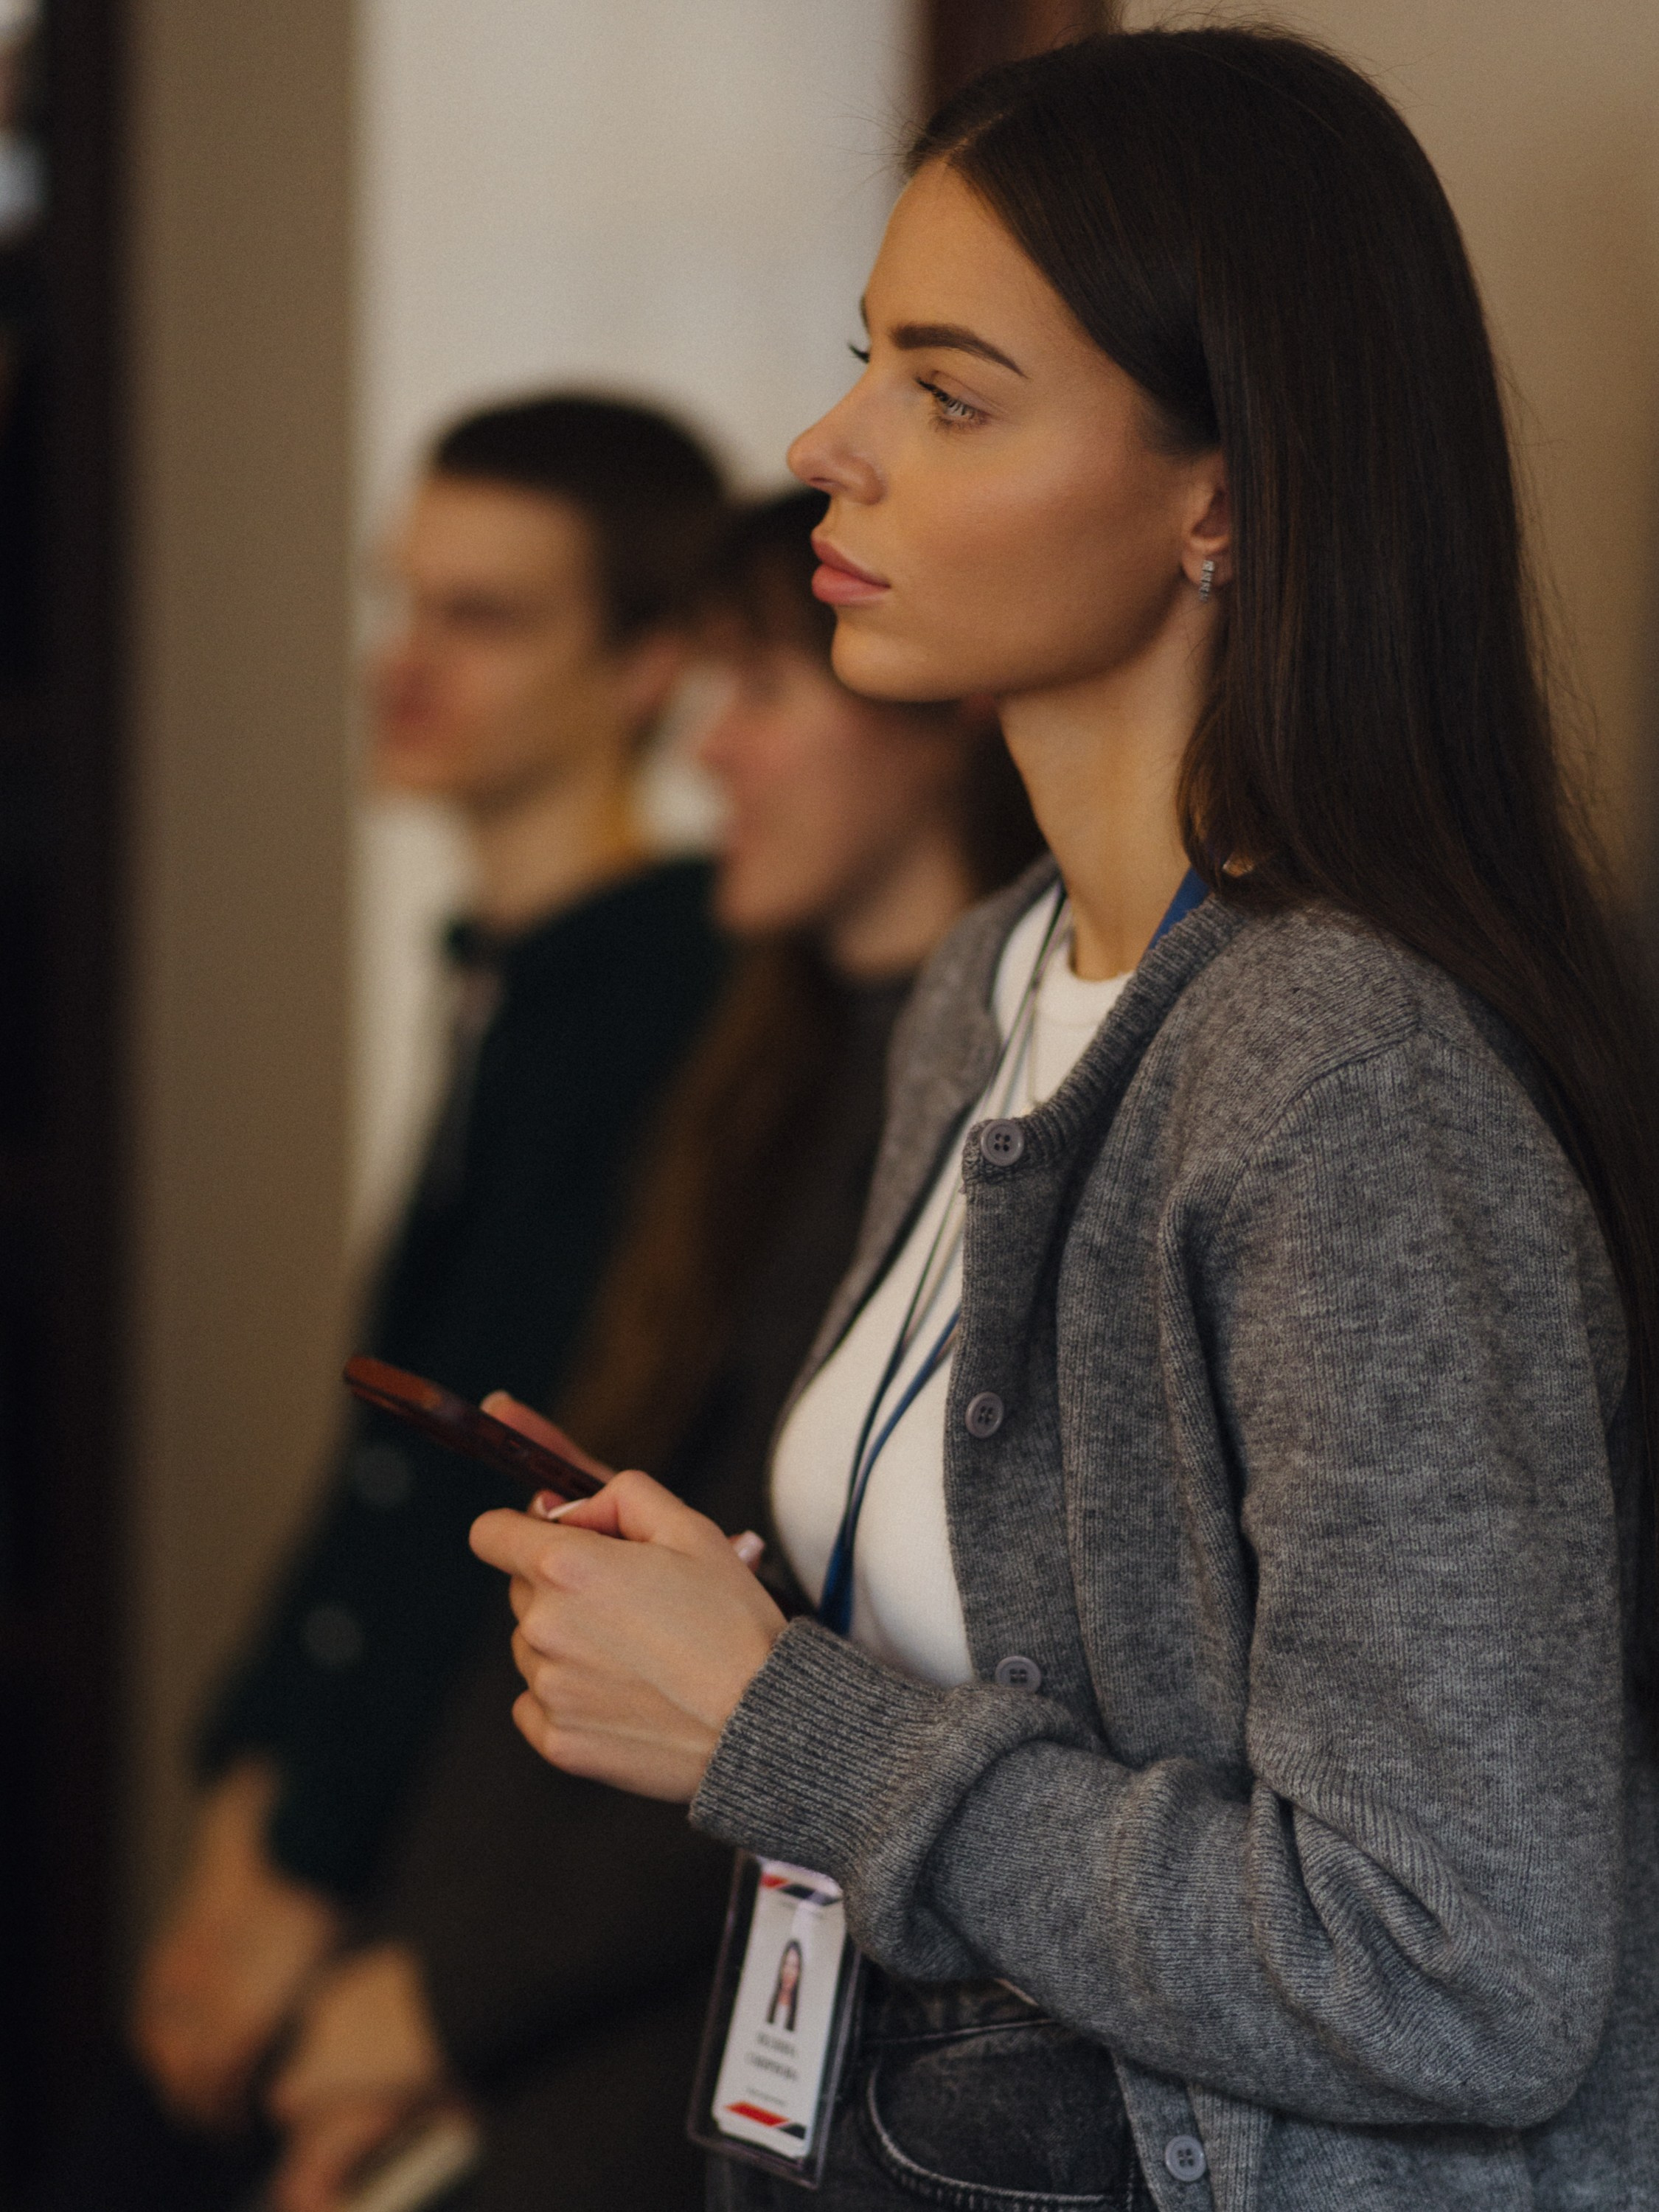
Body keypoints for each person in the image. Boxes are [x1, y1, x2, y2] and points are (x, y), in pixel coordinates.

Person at [473, 29, 1659, 2212]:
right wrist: (738, 1642)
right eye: (867, 363)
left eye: (951, 396)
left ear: (1224, 496)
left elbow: (1457, 1964)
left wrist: (783, 1730)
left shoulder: (1340, 1077)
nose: (826, 449)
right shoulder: (990, 981)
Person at [252, 488, 1042, 2212]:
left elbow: (786, 1652)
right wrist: (411, 1964)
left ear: (934, 723)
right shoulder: (763, 1059)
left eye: (762, 686)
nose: (708, 754)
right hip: (591, 1946)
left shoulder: (992, 1088)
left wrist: (443, 2004)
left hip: (728, 1968)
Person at [50, 394, 731, 2212]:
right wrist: (250, 1799)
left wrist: (307, 1864)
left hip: (469, 1865)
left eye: (482, 616)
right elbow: (381, 1452)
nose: (403, 662)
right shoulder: (518, 978)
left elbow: (487, 1479)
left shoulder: (664, 998)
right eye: (399, 600)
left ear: (649, 665)